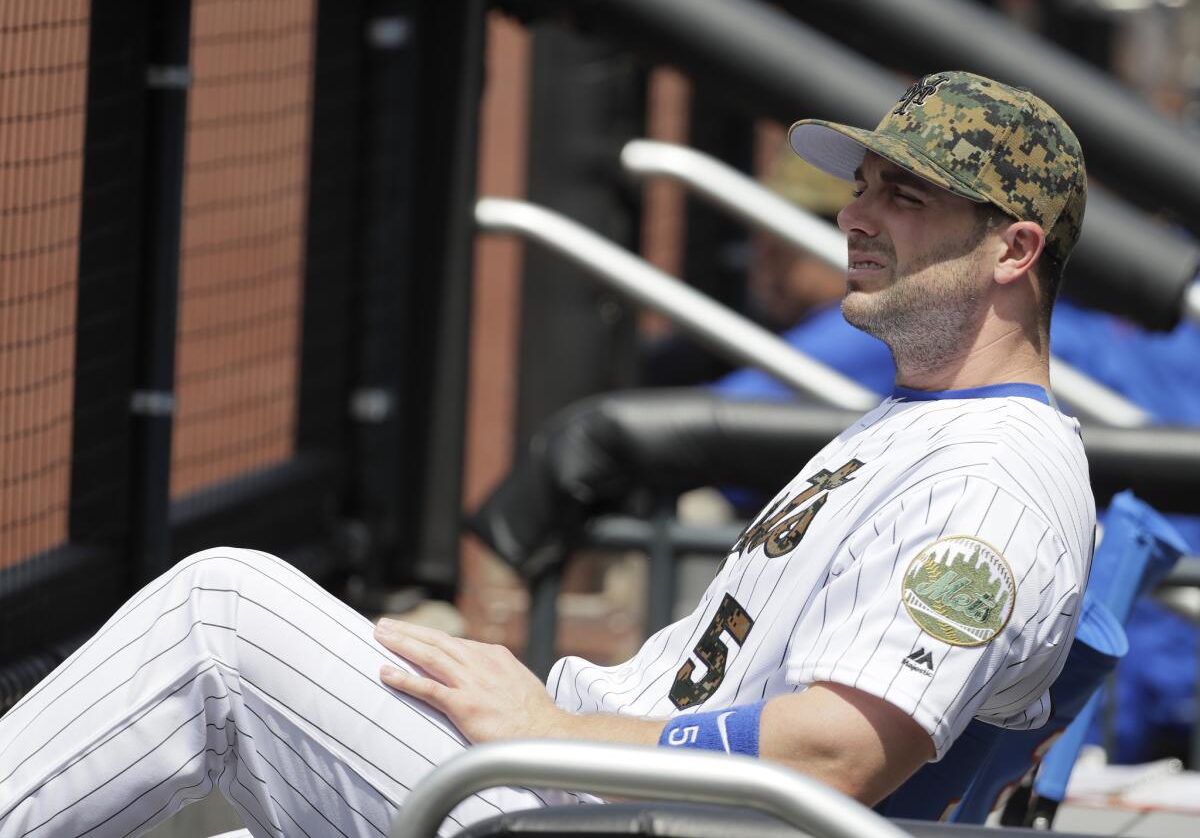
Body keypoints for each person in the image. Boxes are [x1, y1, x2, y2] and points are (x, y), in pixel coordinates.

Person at [0, 71, 1095, 838]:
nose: (858, 215)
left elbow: (837, 757)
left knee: (222, 614)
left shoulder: (989, 481)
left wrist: (556, 728)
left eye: (904, 196)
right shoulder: (925, 422)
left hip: (598, 811)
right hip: (584, 791)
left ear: (1014, 249)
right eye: (862, 186)